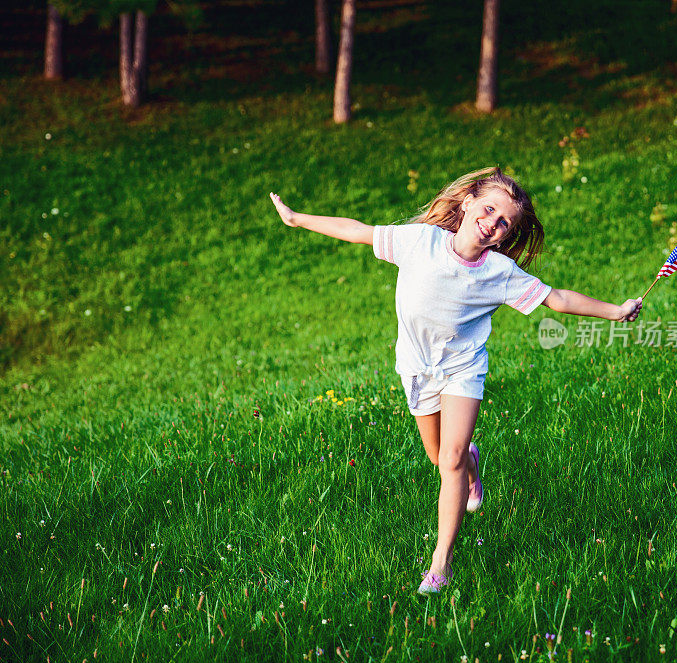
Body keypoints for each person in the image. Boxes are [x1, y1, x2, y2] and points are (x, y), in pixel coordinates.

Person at [269, 167, 642, 595]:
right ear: (466, 204)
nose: (492, 223)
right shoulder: (419, 242)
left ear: (504, 237)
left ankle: (440, 564)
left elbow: (556, 298)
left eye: (504, 223)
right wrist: (298, 219)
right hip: (416, 366)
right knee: (439, 455)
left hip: (463, 369)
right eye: (488, 210)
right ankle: (471, 464)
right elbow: (357, 231)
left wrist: (615, 310)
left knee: (449, 458)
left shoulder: (500, 272)